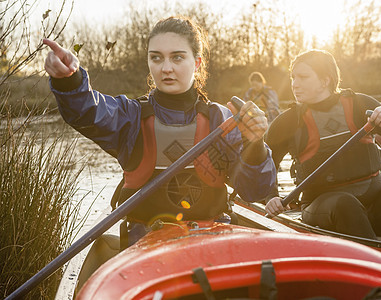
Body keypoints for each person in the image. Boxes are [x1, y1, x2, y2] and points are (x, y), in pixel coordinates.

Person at [43, 16, 277, 248]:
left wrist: (255, 143)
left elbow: (254, 191)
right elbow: (88, 111)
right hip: (145, 245)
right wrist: (70, 81)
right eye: (156, 58)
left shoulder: (221, 119)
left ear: (197, 63)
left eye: (177, 57)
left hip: (212, 242)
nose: (166, 68)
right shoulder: (130, 116)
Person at [264, 49, 381, 248]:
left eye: (303, 77)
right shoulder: (288, 121)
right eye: (293, 77)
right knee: (345, 203)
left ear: (325, 80)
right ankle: (379, 266)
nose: (294, 84)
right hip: (325, 212)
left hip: (376, 207)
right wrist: (271, 196)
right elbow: (265, 163)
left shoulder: (360, 103)